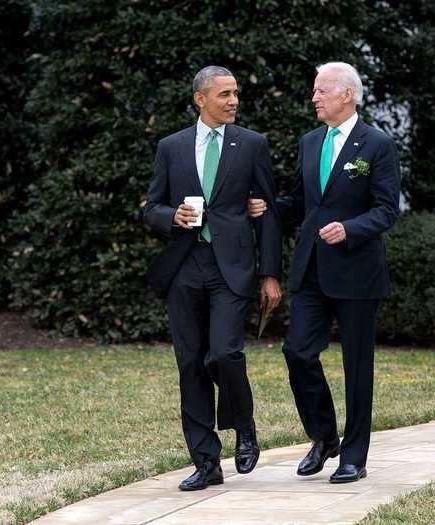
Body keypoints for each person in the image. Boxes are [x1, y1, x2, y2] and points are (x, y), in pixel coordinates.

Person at [249, 62, 400, 483]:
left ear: (347, 95)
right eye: (315, 91)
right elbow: (303, 202)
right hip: (311, 270)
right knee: (297, 352)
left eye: (321, 91)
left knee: (357, 366)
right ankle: (323, 437)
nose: (314, 98)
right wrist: (269, 207)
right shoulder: (311, 141)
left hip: (357, 273)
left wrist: (350, 229)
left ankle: (354, 456)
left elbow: (387, 210)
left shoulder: (377, 144)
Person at [143, 66, 282, 491]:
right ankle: (206, 463)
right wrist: (172, 216)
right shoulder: (172, 147)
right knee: (190, 365)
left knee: (223, 353)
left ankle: (244, 426)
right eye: (224, 94)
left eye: (235, 93)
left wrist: (270, 273)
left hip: (232, 268)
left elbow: (268, 213)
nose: (233, 101)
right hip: (186, 267)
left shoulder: (252, 145)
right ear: (200, 99)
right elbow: (150, 206)